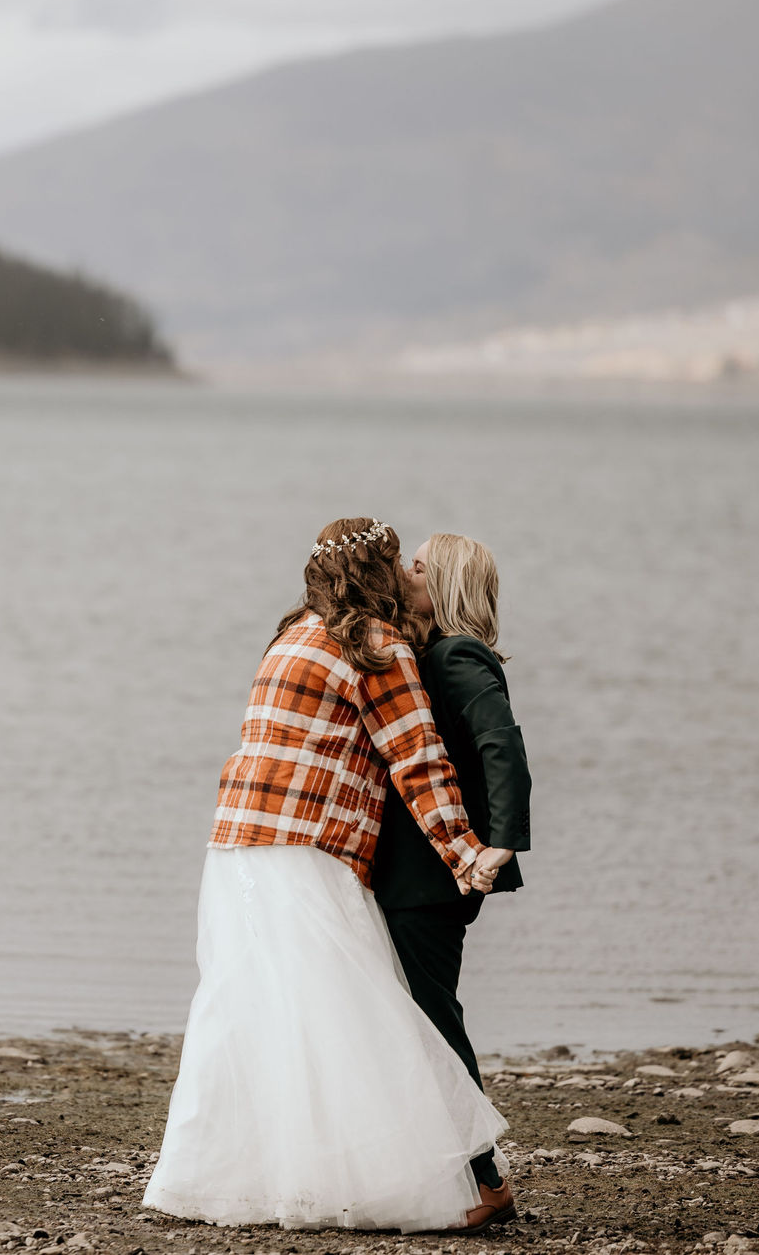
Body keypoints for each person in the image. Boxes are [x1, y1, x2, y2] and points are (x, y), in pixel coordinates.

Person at [142, 518, 514, 1234]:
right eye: (402, 563)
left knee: (249, 1012)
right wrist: (469, 853)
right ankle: (414, 1179)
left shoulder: (291, 636)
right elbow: (418, 761)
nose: (414, 573)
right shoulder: (374, 646)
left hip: (234, 846)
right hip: (308, 845)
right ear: (377, 572)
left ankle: (224, 1179)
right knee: (361, 1015)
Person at [371, 532, 532, 1222]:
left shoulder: (455, 655)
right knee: (417, 1016)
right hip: (417, 874)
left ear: (441, 582)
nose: (405, 570)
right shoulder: (424, 652)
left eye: (415, 564)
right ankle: (451, 1171)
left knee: (435, 1020)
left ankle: (487, 1180)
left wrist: (501, 845)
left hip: (432, 879)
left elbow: (503, 743)